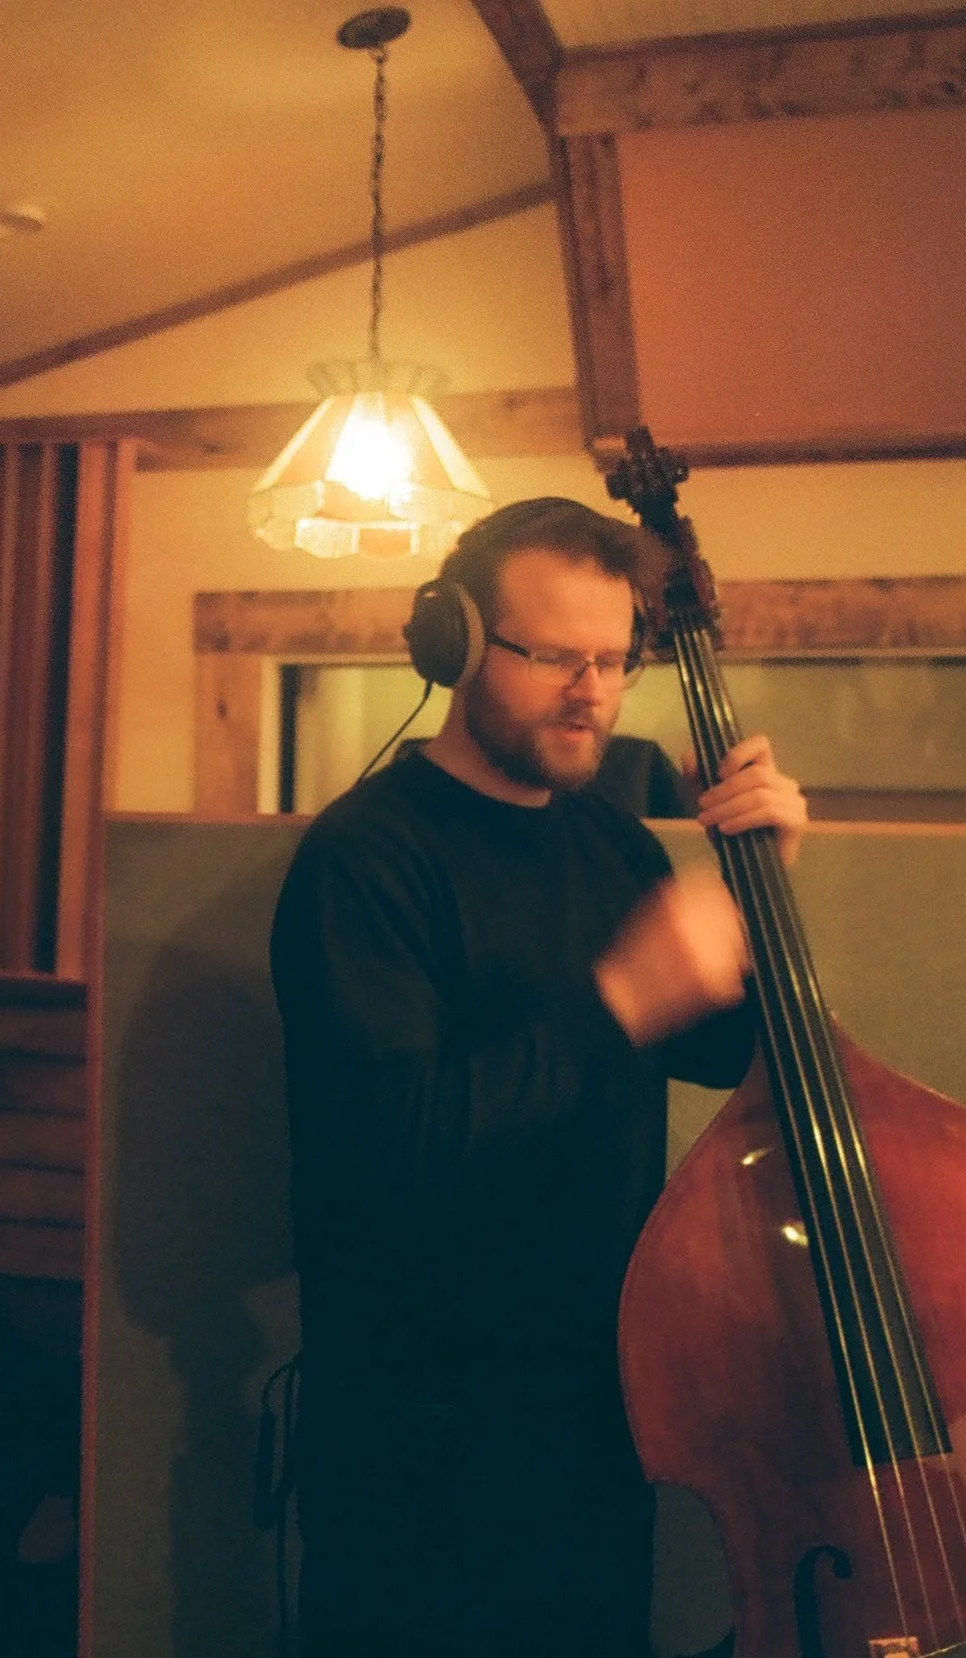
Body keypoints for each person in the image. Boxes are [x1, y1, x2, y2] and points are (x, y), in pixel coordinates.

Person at [269, 497, 809, 1656]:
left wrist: (763, 887)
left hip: (593, 1403)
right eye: (555, 654)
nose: (592, 690)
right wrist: (620, 998)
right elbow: (386, 1148)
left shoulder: (606, 835)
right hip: (417, 1439)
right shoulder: (366, 855)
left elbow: (717, 1051)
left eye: (612, 660)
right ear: (456, 643)